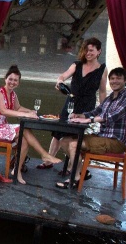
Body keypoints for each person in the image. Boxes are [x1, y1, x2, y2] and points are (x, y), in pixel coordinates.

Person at [55, 67, 126, 189]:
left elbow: (111, 116)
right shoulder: (110, 98)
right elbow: (96, 111)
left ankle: (75, 178)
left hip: (116, 141)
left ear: (125, 80)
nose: (114, 81)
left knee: (74, 145)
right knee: (64, 140)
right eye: (112, 79)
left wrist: (89, 120)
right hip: (102, 137)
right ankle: (81, 172)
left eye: (118, 78)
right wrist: (80, 115)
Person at [39, 37, 107, 173]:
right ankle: (48, 160)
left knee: (75, 136)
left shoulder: (102, 70)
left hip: (87, 106)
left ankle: (72, 167)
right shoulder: (77, 64)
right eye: (86, 50)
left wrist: (103, 110)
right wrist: (59, 82)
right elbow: (63, 76)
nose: (88, 53)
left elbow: (103, 91)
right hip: (71, 102)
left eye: (92, 51)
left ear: (99, 51)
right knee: (58, 132)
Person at [0, 65, 61, 184]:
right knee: (23, 129)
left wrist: (30, 111)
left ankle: (17, 171)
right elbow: (4, 111)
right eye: (10, 79)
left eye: (15, 80)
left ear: (18, 83)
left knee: (24, 140)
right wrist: (27, 115)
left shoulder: (13, 94)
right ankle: (44, 155)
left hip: (3, 127)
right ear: (5, 79)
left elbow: (18, 108)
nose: (12, 82)